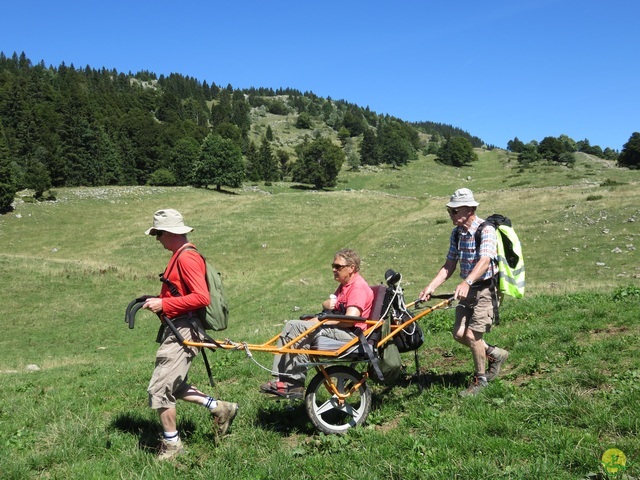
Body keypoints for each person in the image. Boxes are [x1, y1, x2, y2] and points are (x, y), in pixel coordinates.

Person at [142, 209, 238, 460]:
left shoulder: (186, 258)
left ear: (170, 232)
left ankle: (172, 446)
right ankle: (219, 408)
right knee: (172, 382)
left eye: (158, 233)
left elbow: (201, 297)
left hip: (184, 327)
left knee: (160, 387)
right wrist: (159, 300)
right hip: (179, 325)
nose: (157, 239)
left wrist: (164, 305)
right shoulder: (180, 256)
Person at [419, 188, 509, 396]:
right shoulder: (457, 233)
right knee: (459, 334)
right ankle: (495, 354)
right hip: (467, 289)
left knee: (472, 335)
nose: (451, 215)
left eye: (454, 211)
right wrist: (431, 287)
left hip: (486, 289)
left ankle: (481, 381)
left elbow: (485, 261)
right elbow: (450, 264)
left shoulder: (486, 230)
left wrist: (467, 281)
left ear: (470, 209)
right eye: (449, 211)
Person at [260, 249, 374, 398]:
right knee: (291, 326)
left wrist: (321, 321)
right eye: (333, 266)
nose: (334, 269)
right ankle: (281, 379)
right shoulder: (344, 285)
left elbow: (351, 320)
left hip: (352, 335)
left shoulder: (357, 287)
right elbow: (333, 309)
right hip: (341, 330)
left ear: (351, 268)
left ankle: (294, 383)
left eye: (338, 266)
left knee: (299, 328)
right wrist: (324, 309)